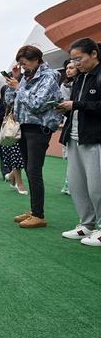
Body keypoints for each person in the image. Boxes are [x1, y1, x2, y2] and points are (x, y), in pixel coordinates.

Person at [5, 45, 62, 228]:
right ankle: (34, 210)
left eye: (25, 63)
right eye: (21, 64)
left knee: (34, 170)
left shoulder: (49, 76)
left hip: (39, 128)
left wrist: (19, 87)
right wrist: (14, 81)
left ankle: (39, 214)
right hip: (24, 127)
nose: (23, 67)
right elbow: (9, 100)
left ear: (37, 59)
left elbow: (37, 103)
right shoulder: (25, 77)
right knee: (30, 170)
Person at [58, 38, 101, 246]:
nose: (75, 64)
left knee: (97, 186)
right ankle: (87, 225)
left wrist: (77, 104)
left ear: (94, 53)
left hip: (94, 138)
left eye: (79, 58)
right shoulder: (79, 78)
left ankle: (100, 228)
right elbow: (75, 106)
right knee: (77, 184)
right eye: (73, 60)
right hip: (74, 137)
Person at [59, 59, 79, 195]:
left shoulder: (84, 82)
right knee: (71, 158)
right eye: (67, 68)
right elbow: (65, 105)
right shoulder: (64, 86)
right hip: (70, 124)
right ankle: (69, 184)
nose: (68, 70)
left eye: (71, 67)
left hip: (84, 125)